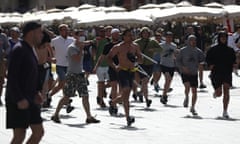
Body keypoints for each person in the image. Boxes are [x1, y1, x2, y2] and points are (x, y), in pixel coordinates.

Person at [5, 21, 44, 144]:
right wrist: (19, 98)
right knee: (19, 135)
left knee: (38, 132)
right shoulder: (19, 49)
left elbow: (32, 73)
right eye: (39, 32)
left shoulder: (29, 49)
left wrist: (37, 91)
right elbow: (12, 77)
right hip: (18, 99)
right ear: (31, 33)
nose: (41, 35)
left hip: (30, 98)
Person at [51, 30, 100, 124]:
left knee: (85, 95)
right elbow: (77, 59)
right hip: (71, 75)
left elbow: (88, 42)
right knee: (66, 97)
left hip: (80, 74)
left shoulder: (80, 44)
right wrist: (81, 49)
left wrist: (94, 40)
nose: (82, 37)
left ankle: (89, 116)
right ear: (75, 37)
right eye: (80, 35)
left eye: (83, 35)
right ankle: (56, 114)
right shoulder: (72, 48)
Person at [107, 29, 143, 126]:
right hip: (122, 71)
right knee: (126, 91)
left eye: (132, 35)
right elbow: (109, 58)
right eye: (129, 35)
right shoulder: (118, 47)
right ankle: (128, 117)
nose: (131, 37)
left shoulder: (135, 46)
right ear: (124, 37)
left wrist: (135, 59)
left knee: (126, 95)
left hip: (131, 71)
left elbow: (141, 60)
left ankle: (113, 102)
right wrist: (115, 66)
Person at [206, 31, 236, 119]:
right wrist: (210, 65)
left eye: (225, 37)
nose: (223, 39)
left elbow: (233, 60)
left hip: (227, 72)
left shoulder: (230, 50)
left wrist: (234, 65)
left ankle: (225, 111)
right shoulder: (213, 49)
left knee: (227, 90)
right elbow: (208, 59)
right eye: (222, 37)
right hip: (216, 73)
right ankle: (216, 93)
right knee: (219, 93)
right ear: (219, 38)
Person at [45, 24, 74, 107]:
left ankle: (50, 95)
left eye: (67, 29)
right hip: (57, 64)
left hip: (69, 65)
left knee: (64, 83)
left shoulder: (72, 40)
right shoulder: (55, 40)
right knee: (63, 81)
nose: (66, 31)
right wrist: (51, 56)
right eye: (64, 29)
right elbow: (47, 47)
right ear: (60, 31)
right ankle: (66, 100)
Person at [176, 35, 205, 116]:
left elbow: (203, 60)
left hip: (194, 73)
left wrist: (201, 64)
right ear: (188, 41)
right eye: (191, 40)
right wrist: (182, 67)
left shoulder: (198, 51)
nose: (193, 41)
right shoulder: (183, 50)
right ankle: (186, 96)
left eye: (194, 40)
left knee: (194, 91)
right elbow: (178, 61)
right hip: (185, 72)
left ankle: (193, 107)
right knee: (187, 86)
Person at [134, 26, 162, 107]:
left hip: (150, 64)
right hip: (140, 64)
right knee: (144, 82)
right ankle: (146, 99)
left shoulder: (152, 41)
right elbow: (132, 50)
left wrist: (153, 50)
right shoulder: (137, 42)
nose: (145, 34)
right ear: (141, 34)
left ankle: (140, 93)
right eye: (144, 33)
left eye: (147, 33)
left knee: (145, 82)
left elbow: (160, 49)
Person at [92, 26, 111, 108]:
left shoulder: (108, 40)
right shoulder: (95, 40)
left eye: (104, 31)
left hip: (108, 63)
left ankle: (102, 89)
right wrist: (96, 44)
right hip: (99, 64)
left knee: (111, 82)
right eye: (101, 31)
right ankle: (100, 99)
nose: (102, 33)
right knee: (101, 81)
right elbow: (93, 53)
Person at [159, 31, 177, 105]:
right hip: (163, 64)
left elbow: (175, 56)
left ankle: (164, 95)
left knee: (169, 81)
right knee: (168, 78)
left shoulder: (174, 46)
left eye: (170, 37)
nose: (169, 38)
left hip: (171, 65)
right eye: (168, 37)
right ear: (165, 37)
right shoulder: (161, 45)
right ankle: (164, 95)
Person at [0, 26, 9, 106]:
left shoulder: (3, 36)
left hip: (1, 60)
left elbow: (8, 47)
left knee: (1, 80)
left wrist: (5, 53)